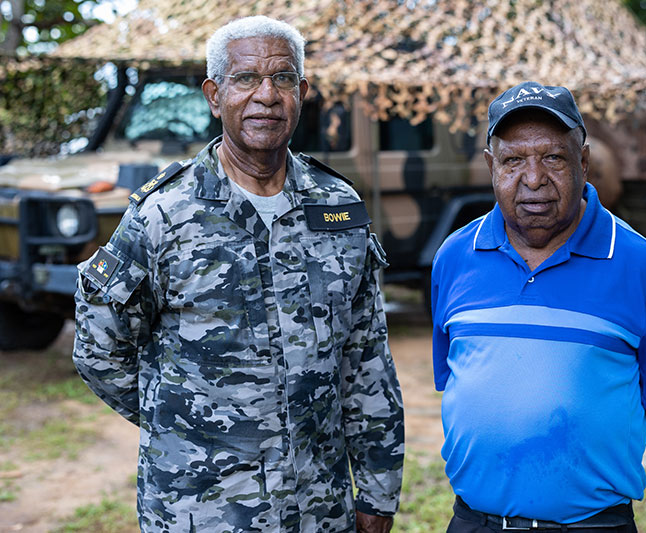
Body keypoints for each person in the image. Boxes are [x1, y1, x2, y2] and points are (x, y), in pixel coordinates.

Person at [73, 16, 403, 533]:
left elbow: (366, 359)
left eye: (283, 79)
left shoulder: (338, 206)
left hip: (319, 509)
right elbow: (99, 347)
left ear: (303, 91)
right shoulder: (165, 214)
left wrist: (378, 496)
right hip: (200, 510)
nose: (266, 96)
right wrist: (184, 425)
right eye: (246, 79)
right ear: (214, 94)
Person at [430, 81, 646, 532]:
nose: (533, 179)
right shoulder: (454, 257)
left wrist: (599, 441)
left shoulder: (643, 267)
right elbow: (454, 379)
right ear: (491, 167)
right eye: (514, 160)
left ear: (584, 162)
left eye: (553, 157)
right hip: (474, 522)